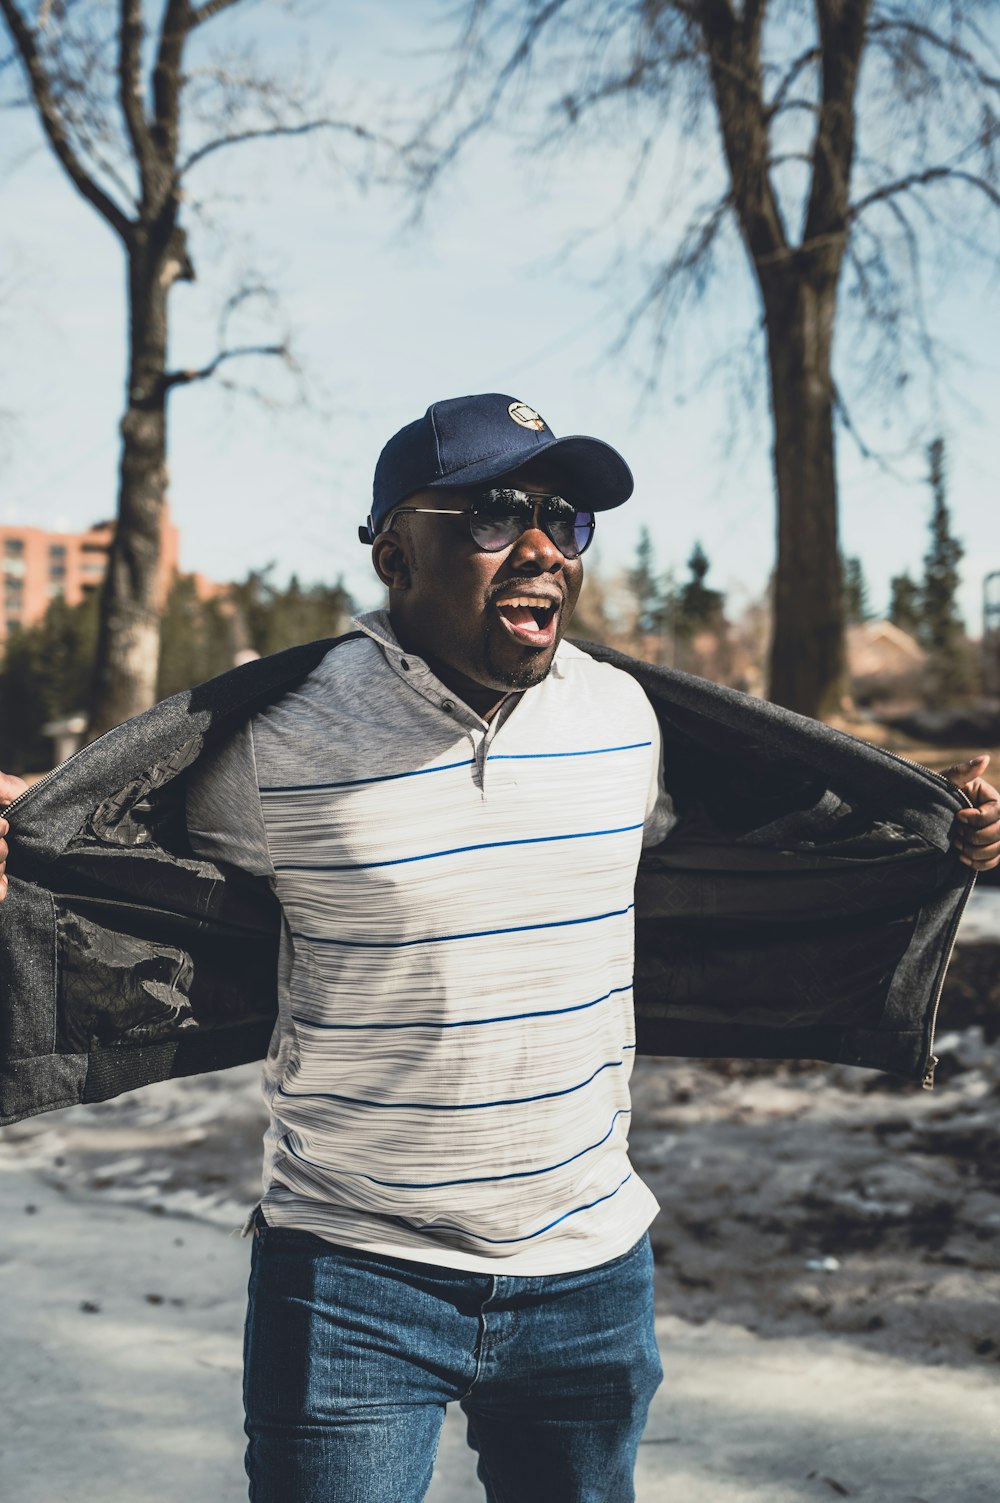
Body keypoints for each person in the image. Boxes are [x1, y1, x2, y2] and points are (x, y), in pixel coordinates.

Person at [0, 392, 998, 1503]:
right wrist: (25, 834)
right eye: (490, 511)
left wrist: (935, 829)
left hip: (589, 1275)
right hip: (349, 1277)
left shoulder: (626, 721)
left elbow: (775, 840)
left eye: (562, 517)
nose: (539, 544)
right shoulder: (275, 749)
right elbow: (111, 853)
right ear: (393, 552)